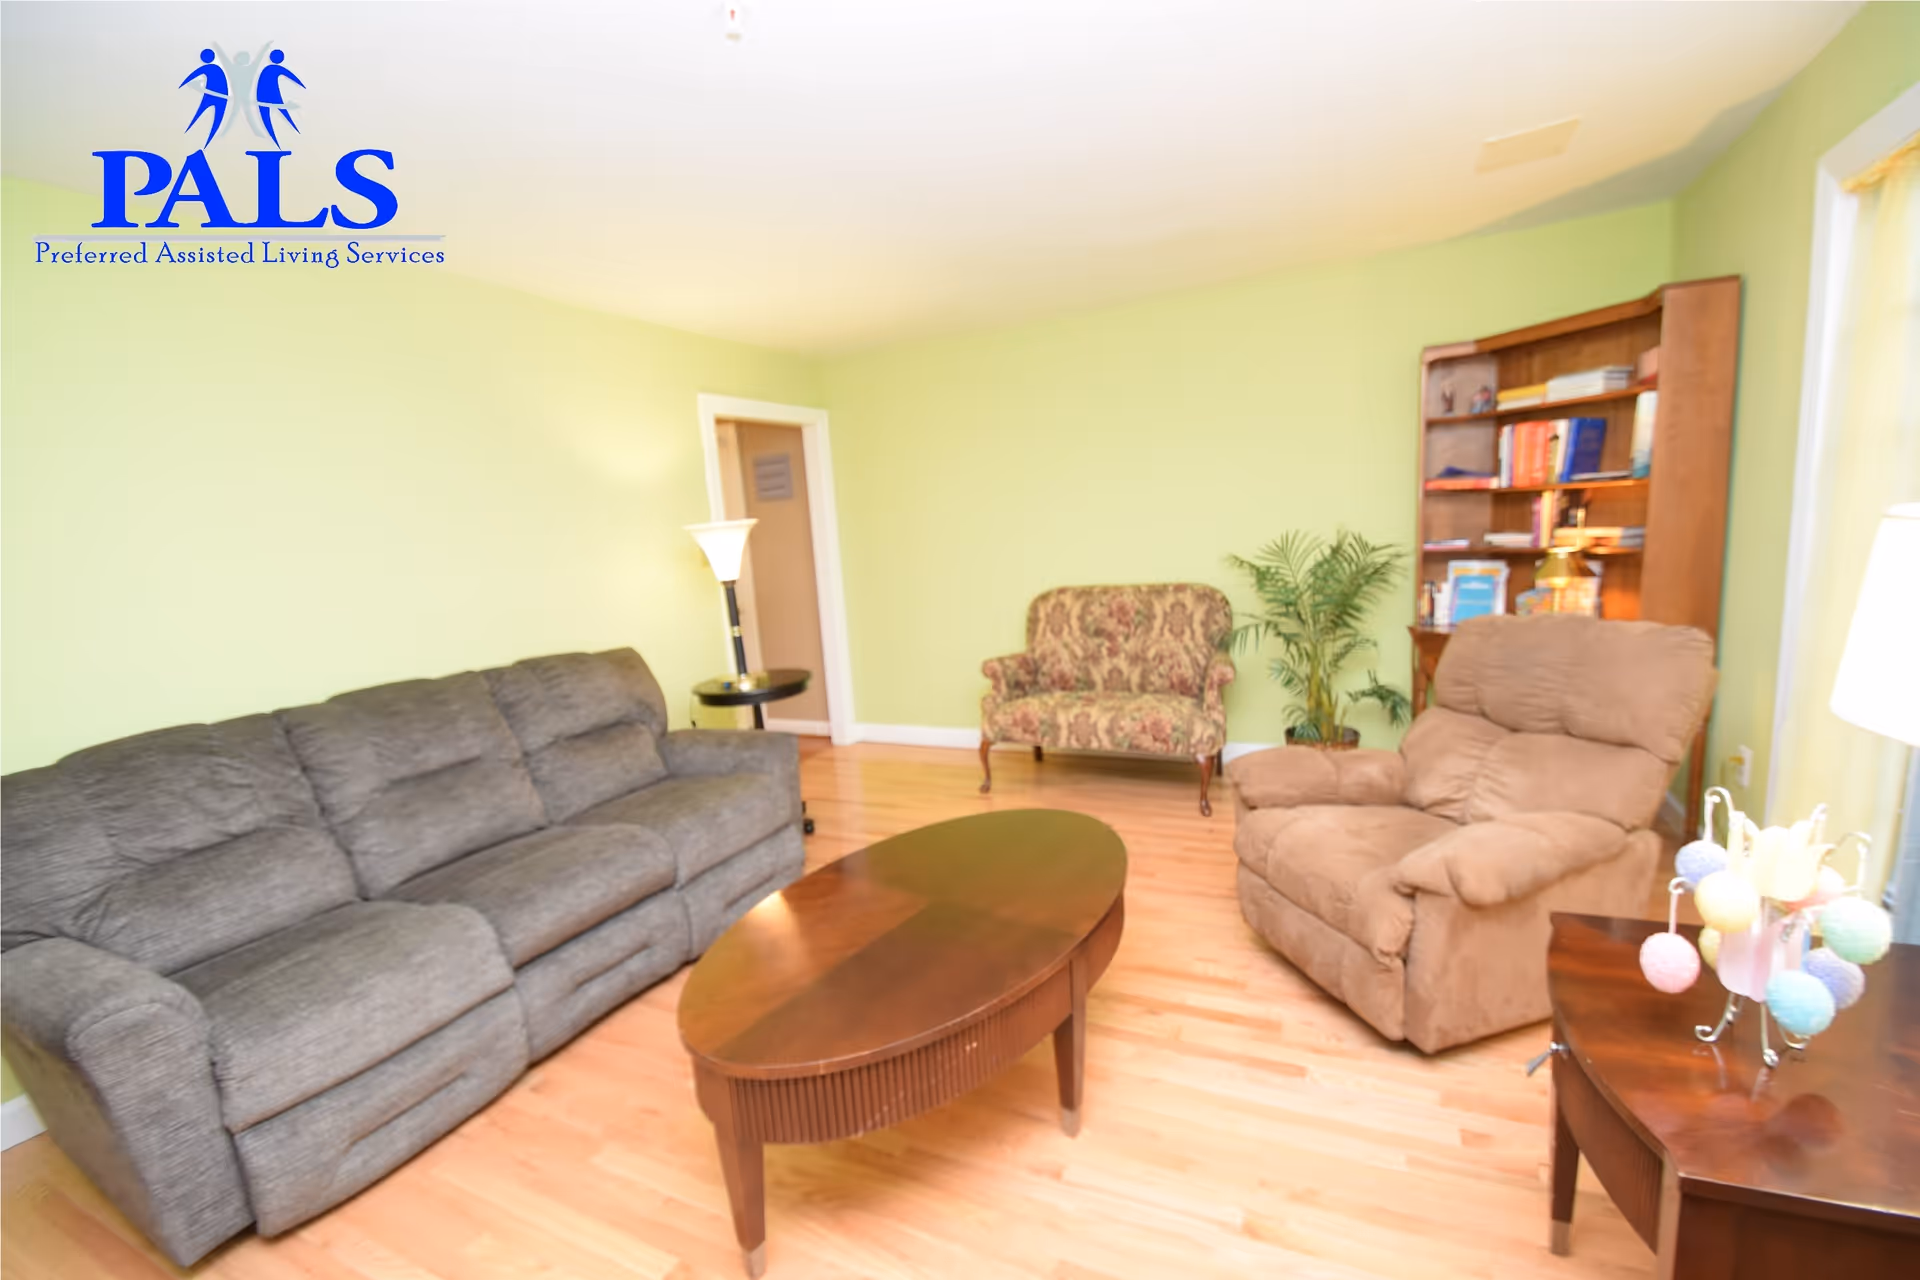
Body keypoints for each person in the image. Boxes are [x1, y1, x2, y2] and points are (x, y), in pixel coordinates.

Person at [254, 49, 306, 150]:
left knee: (271, 118)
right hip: (269, 96)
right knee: (276, 117)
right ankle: (278, 140)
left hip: (264, 96)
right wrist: (302, 86)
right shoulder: (272, 69)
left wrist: (302, 85)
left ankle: (279, 140)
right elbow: (291, 76)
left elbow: (291, 76)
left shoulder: (268, 70)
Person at [179, 49, 228, 148]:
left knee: (214, 119)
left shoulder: (213, 69)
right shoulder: (215, 69)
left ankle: (205, 142)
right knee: (207, 117)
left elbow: (192, 76)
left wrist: (185, 84)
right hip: (216, 96)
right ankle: (198, 139)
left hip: (218, 96)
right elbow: (192, 77)